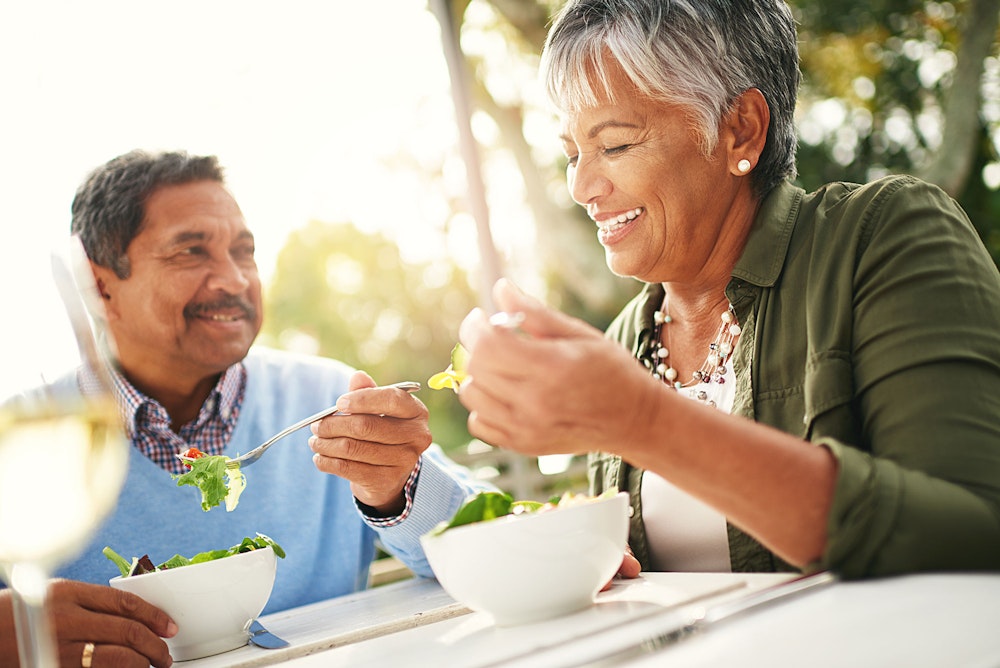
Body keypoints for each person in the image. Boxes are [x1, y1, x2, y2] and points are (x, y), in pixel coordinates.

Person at [457, 0, 1000, 582]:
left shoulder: (880, 237)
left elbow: (975, 529)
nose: (583, 186)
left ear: (740, 130)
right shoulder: (622, 343)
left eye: (614, 145)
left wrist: (644, 419)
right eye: (571, 153)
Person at [0, 149, 492, 668]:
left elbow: (495, 535)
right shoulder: (26, 439)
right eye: (191, 252)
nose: (234, 280)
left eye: (244, 251)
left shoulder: (329, 399)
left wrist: (397, 491)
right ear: (100, 286)